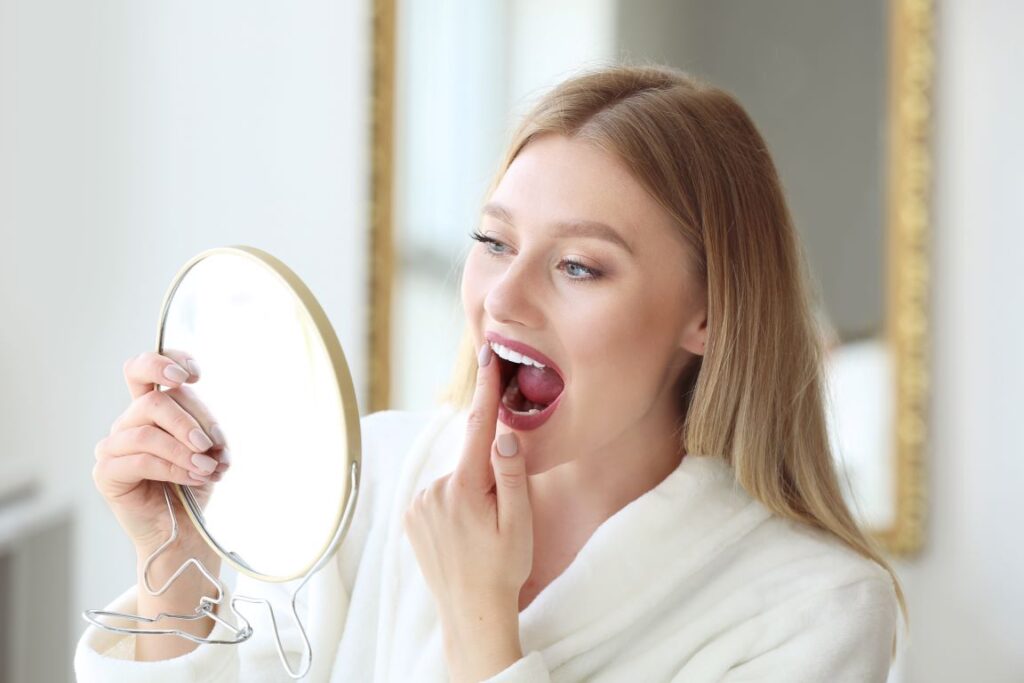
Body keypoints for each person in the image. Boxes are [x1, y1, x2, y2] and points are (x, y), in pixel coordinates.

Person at [76, 62, 905, 682]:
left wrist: (480, 623)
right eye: (494, 243)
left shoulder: (814, 610)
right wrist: (176, 562)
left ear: (711, 314)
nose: (502, 295)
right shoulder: (372, 480)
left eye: (579, 266)